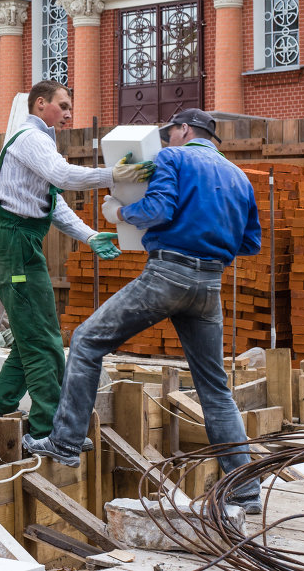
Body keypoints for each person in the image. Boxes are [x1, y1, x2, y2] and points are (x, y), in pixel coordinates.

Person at [23, 108, 263, 514]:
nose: (166, 140)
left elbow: (158, 211)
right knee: (215, 390)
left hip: (168, 273)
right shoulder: (238, 176)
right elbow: (249, 243)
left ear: (184, 130)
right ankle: (246, 491)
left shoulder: (174, 158)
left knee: (86, 340)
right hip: (209, 286)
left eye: (170, 133)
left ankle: (64, 443)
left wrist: (117, 213)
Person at [0, 80, 154, 440]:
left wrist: (89, 235)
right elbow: (64, 176)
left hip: (18, 241)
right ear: (40, 104)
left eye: (70, 106)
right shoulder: (31, 139)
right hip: (13, 243)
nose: (70, 112)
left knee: (36, 332)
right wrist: (112, 175)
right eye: (63, 105)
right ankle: (48, 429)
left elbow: (53, 202)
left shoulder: (40, 143)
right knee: (43, 338)